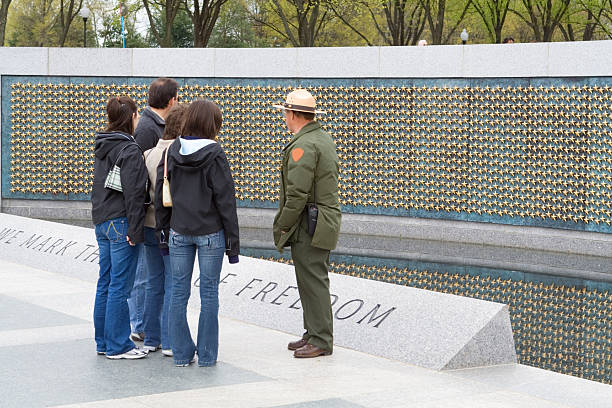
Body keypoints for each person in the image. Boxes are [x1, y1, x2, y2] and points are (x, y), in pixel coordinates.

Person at [155, 99, 240, 367]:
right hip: (210, 234)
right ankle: (206, 355)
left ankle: (180, 354)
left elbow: (161, 195)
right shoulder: (216, 154)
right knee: (209, 294)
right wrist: (232, 243)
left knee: (178, 293)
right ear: (212, 124)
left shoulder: (173, 150)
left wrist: (163, 232)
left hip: (179, 230)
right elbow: (226, 200)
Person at [272, 89, 341, 358]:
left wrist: (282, 225)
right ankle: (313, 333)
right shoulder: (320, 138)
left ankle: (321, 339)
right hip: (318, 222)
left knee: (313, 281)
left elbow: (297, 193)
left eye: (285, 114)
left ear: (292, 114)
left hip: (309, 225)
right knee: (310, 280)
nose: (284, 120)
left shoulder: (304, 145)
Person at [92, 96, 148, 360]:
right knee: (120, 287)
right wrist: (135, 231)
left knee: (105, 282)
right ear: (132, 117)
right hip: (121, 222)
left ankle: (103, 342)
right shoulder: (129, 149)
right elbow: (135, 195)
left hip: (102, 222)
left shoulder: (103, 145)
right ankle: (118, 345)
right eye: (137, 115)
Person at [128, 77, 179, 342]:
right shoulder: (149, 129)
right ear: (171, 101)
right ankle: (140, 325)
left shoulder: (152, 124)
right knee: (147, 277)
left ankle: (150, 329)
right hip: (152, 219)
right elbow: (143, 176)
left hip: (152, 220)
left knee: (152, 277)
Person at [141, 104, 188, 356]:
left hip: (148, 225)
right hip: (168, 227)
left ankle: (151, 338)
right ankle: (170, 341)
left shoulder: (148, 153)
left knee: (153, 282)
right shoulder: (177, 155)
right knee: (173, 283)